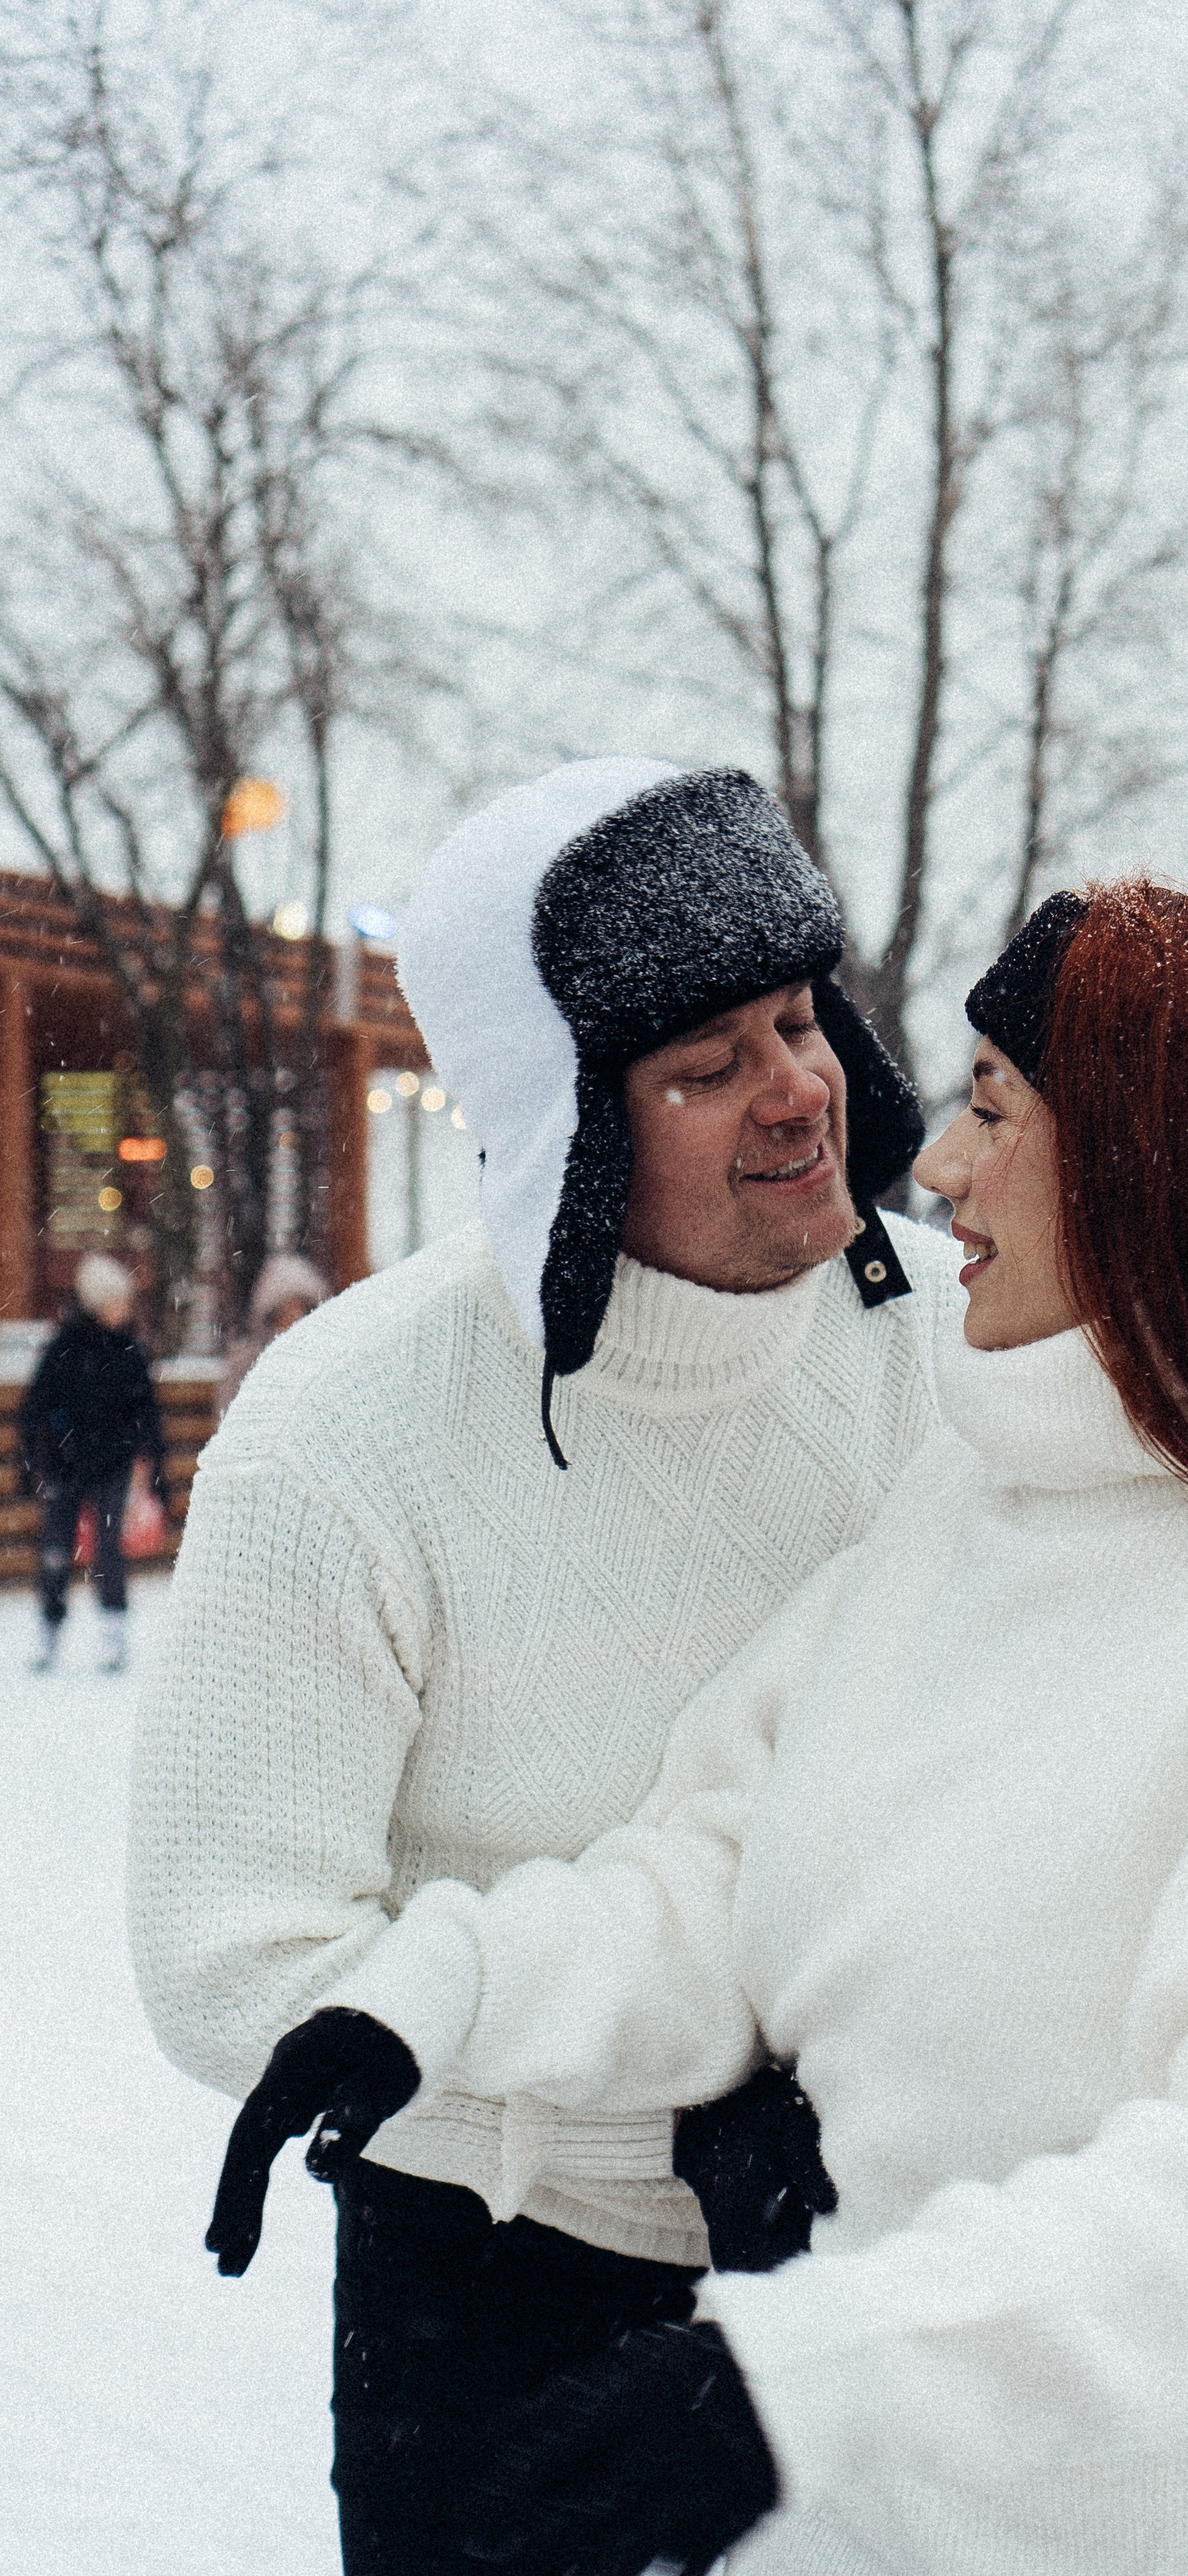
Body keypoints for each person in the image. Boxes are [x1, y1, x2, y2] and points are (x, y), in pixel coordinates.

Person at [223, 879, 1188, 2576]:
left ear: (1155, 1173)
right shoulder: (962, 1509)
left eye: (994, 1106)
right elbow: (722, 1869)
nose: (934, 1164)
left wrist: (805, 2382)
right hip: (866, 2524)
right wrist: (433, 1997)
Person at [127, 757, 962, 2576]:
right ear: (564, 1129)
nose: (796, 1087)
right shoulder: (345, 1434)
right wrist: (652, 2116)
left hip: (896, 2251)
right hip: (498, 2300)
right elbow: (233, 1964)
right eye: (704, 1066)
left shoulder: (958, 1344)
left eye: (796, 1019)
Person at [21, 1251, 165, 1675]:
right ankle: (49, 1629)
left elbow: (147, 1415)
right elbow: (35, 1409)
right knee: (55, 1552)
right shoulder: (62, 1349)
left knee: (109, 1551)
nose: (124, 1310)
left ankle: (113, 1631)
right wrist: (33, 1462)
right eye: (117, 1302)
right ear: (97, 1304)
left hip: (112, 1467)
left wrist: (153, 1467)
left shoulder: (129, 1350)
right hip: (65, 1468)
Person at [213, 1252, 330, 1423]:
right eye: (285, 1314)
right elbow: (229, 1417)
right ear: (271, 1316)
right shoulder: (247, 1364)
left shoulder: (324, 1363)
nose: (293, 1321)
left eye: (301, 1311)